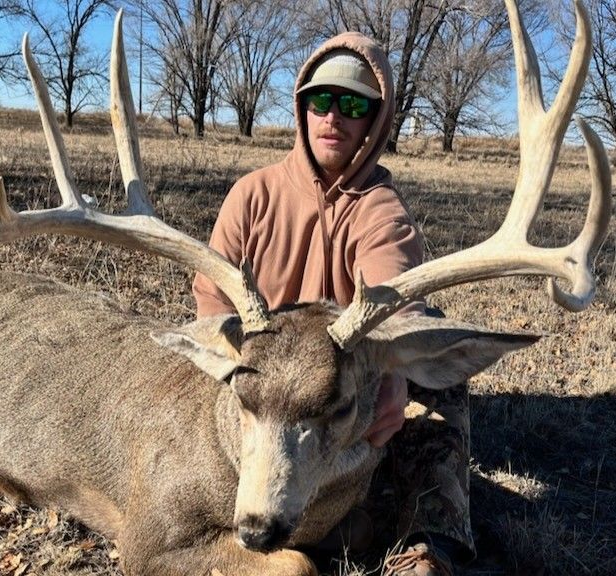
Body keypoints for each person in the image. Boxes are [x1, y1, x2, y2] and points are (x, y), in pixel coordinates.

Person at [193, 32, 472, 576]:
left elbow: (394, 297)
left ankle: (425, 542)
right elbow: (212, 300)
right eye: (321, 101)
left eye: (353, 105)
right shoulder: (252, 195)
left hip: (338, 392)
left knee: (433, 384)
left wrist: (390, 377)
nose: (333, 116)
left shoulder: (382, 213)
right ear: (302, 107)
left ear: (376, 119)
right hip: (262, 389)